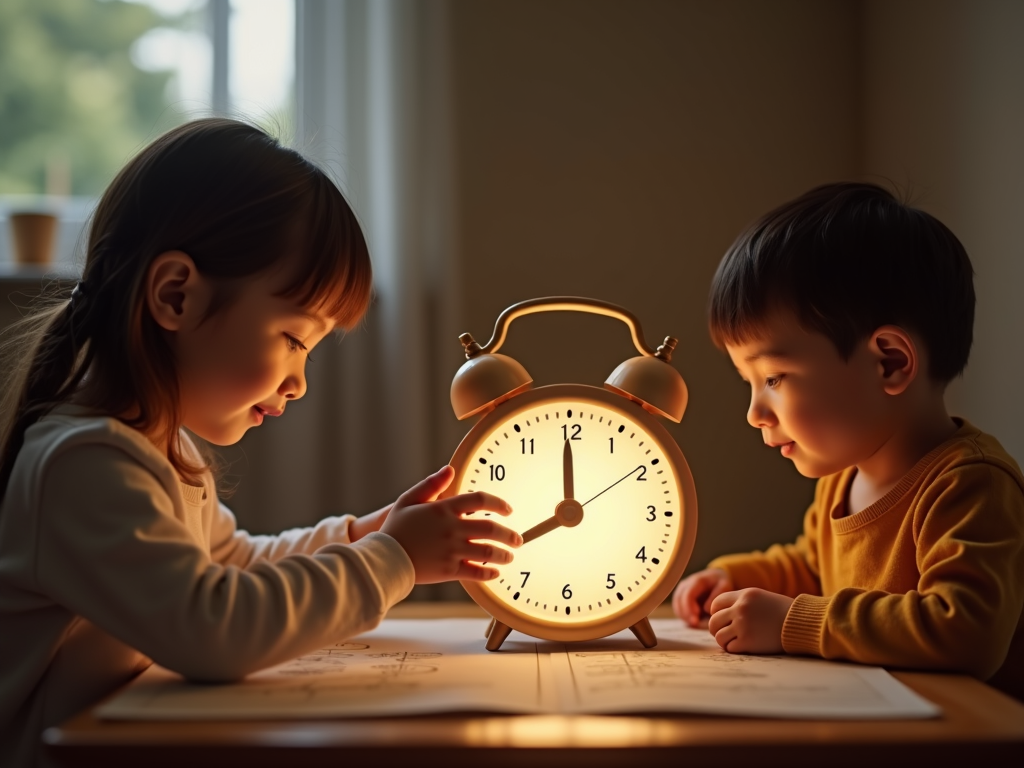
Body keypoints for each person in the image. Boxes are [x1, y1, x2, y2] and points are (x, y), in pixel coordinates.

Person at [0, 119, 521, 766]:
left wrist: (366, 534)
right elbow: (213, 627)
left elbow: (235, 566)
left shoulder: (160, 452)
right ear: (176, 295)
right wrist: (395, 561)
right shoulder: (83, 465)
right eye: (296, 340)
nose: (301, 382)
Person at [672, 182, 1024, 701]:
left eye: (774, 378)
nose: (754, 413)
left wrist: (793, 622)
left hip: (970, 734)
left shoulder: (970, 486)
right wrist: (736, 577)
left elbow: (965, 631)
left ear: (890, 363)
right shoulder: (843, 478)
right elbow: (815, 567)